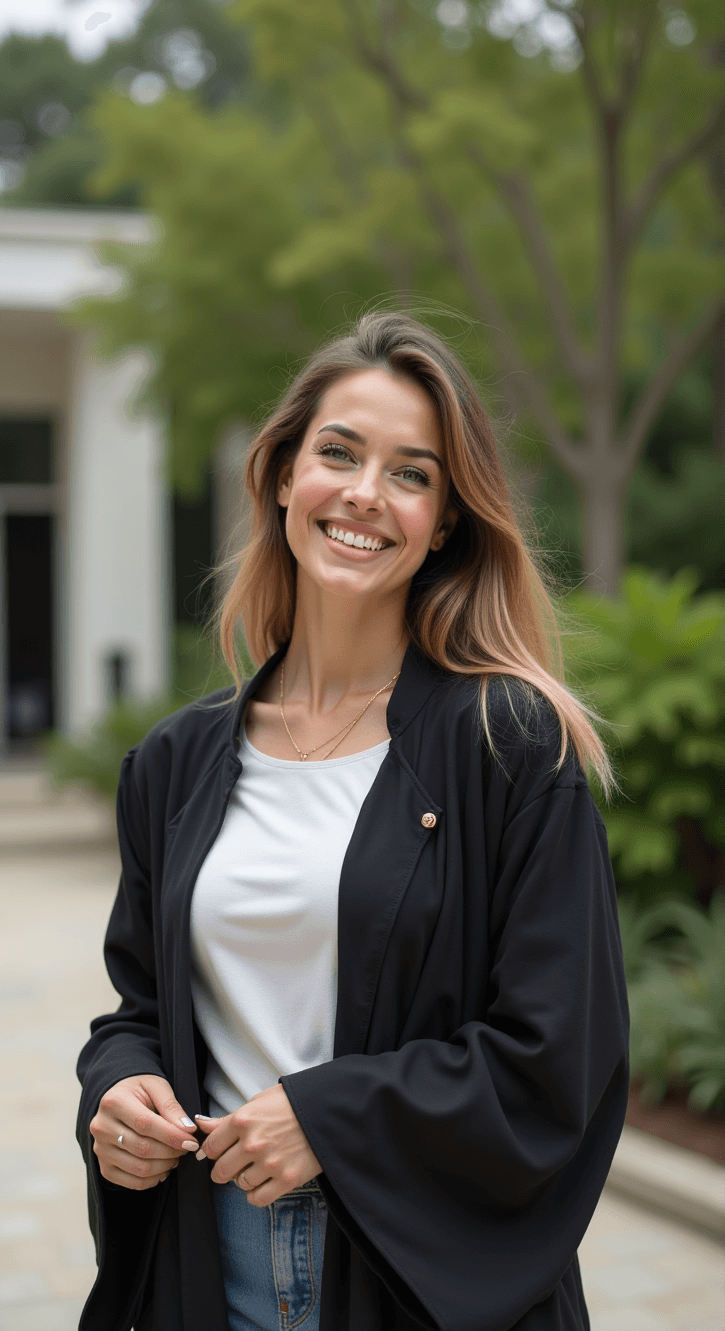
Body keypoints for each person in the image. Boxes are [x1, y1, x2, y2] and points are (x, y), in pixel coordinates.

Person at [77, 311, 629, 1331]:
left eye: (412, 474)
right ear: (285, 473)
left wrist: (330, 1120)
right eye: (339, 453)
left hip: (415, 1279)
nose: (366, 494)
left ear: (447, 521)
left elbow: (561, 1058)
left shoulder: (511, 748)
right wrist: (120, 1088)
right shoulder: (175, 763)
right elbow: (141, 1009)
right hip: (210, 1264)